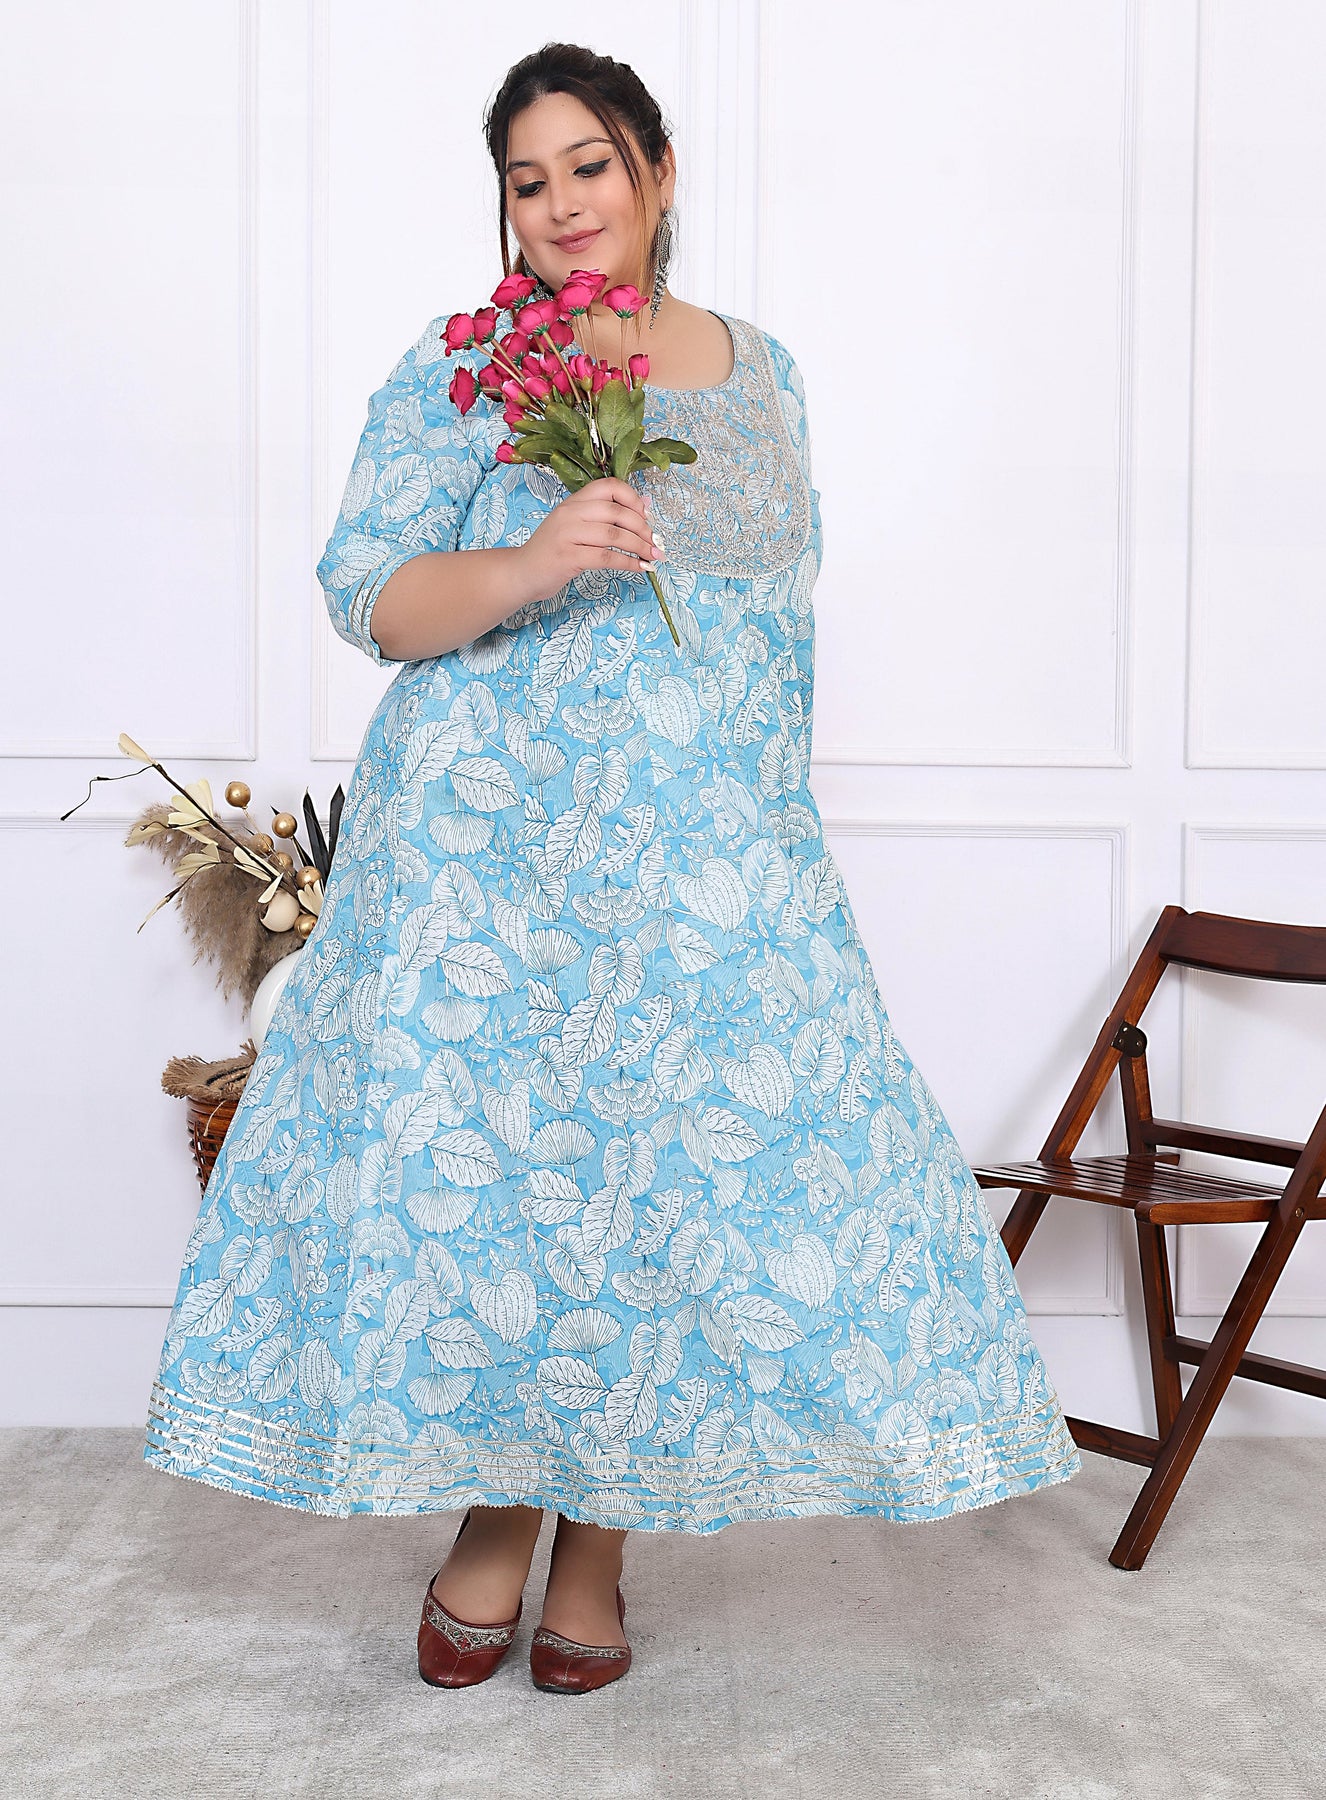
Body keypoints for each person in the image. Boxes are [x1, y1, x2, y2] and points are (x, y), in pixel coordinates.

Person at [143, 40, 1082, 1696]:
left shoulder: (763, 375)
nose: (562, 203)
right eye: (528, 180)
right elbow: (374, 599)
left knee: (668, 1201)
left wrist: (766, 839)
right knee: (512, 1197)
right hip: (484, 867)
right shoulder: (469, 364)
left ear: (655, 169)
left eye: (588, 165)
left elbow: (775, 635)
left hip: (704, 867)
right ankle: (497, 1517)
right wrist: (528, 559)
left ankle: (597, 1543)